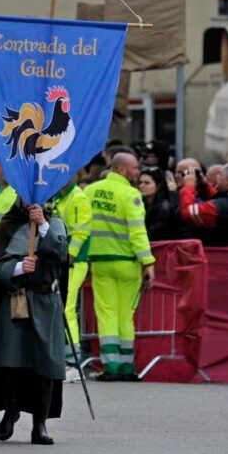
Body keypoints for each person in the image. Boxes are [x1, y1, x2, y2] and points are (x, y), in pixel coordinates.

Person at [0, 202, 68, 444]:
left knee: (45, 363)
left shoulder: (55, 225)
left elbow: (60, 255)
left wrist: (43, 225)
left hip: (46, 303)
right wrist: (17, 268)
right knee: (10, 360)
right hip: (16, 300)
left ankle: (40, 424)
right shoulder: (10, 225)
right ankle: (10, 410)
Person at [84, 152, 155, 381]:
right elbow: (137, 232)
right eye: (135, 167)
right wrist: (148, 262)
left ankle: (110, 366)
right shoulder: (131, 195)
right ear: (123, 170)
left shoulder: (89, 191)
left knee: (106, 314)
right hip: (127, 264)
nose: (138, 171)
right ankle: (126, 367)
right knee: (126, 315)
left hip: (100, 262)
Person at [52, 177, 91, 372]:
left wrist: (71, 255)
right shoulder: (60, 197)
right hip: (64, 260)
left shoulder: (78, 197)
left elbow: (81, 232)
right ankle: (67, 358)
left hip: (74, 261)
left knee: (67, 308)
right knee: (63, 307)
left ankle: (73, 361)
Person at [177, 163, 228, 246]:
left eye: (220, 174)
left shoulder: (222, 206)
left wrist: (188, 186)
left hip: (215, 254)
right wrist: (204, 184)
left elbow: (188, 213)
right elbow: (219, 196)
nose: (216, 177)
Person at [137, 167, 179, 242]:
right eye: (140, 182)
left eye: (147, 183)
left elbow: (151, 235)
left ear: (158, 186)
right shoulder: (143, 204)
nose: (142, 186)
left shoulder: (163, 209)